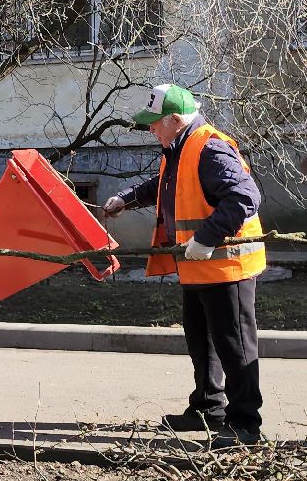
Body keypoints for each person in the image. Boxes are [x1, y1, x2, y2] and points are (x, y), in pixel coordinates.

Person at [101, 84, 268, 447]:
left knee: (235, 346)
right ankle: (209, 408)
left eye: (154, 123)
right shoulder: (179, 147)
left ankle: (245, 425)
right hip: (199, 268)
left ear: (175, 120)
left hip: (227, 269)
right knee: (201, 341)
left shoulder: (209, 147)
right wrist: (126, 199)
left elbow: (245, 196)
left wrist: (206, 238)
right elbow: (164, 185)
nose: (150, 130)